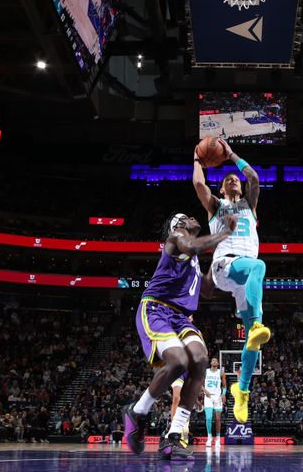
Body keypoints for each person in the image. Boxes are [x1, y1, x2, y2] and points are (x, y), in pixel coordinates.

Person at [124, 213, 236, 460]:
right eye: (186, 216)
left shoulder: (194, 258)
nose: (193, 217)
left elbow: (207, 290)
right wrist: (224, 234)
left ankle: (174, 435)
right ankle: (137, 411)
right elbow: (193, 245)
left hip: (182, 318)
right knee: (178, 361)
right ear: (178, 225)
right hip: (156, 308)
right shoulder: (176, 238)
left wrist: (221, 266)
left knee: (200, 360)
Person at [192, 138, 271, 423]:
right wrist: (197, 160)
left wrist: (231, 155)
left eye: (235, 179)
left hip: (243, 277)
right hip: (225, 266)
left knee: (254, 342)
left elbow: (253, 177)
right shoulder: (216, 206)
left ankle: (242, 390)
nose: (234, 181)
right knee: (259, 267)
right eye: (228, 179)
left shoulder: (250, 204)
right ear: (222, 189)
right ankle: (257, 324)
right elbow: (200, 186)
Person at [203, 355, 227, 448]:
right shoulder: (206, 372)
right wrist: (205, 391)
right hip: (208, 397)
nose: (214, 362)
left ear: (217, 363)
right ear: (210, 363)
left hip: (217, 397)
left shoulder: (221, 372)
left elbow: (224, 386)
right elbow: (200, 384)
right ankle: (209, 437)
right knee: (208, 418)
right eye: (212, 360)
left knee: (217, 419)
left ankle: (218, 438)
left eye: (216, 361)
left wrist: (223, 394)